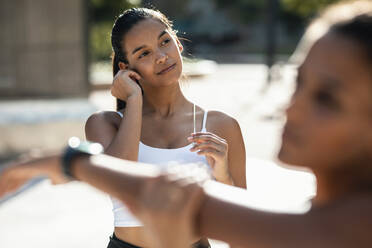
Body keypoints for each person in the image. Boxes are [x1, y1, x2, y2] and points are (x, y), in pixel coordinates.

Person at [2, 0, 372, 247]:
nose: (290, 108)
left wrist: (68, 163)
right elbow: (183, 200)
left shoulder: (347, 224)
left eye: (327, 98)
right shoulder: (320, 217)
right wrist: (71, 160)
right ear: (126, 67)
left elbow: (189, 203)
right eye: (298, 83)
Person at [84, 7, 246, 248]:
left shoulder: (222, 126)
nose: (161, 56)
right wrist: (134, 100)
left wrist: (222, 175)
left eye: (165, 42)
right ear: (125, 68)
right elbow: (120, 182)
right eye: (144, 54)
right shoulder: (106, 124)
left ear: (178, 44)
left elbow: (242, 228)